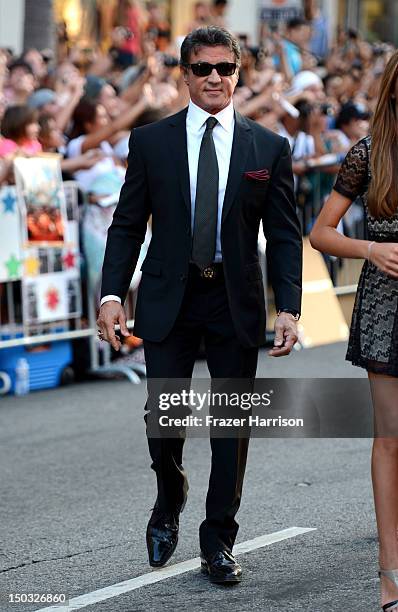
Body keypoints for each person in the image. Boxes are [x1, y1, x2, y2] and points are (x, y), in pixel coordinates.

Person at [97, 26, 302, 584]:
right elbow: (127, 225)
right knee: (164, 421)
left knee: (231, 427)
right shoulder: (151, 142)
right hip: (169, 295)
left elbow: (285, 235)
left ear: (238, 74)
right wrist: (112, 295)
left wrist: (289, 306)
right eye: (203, 68)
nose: (215, 78)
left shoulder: (268, 147)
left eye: (225, 68)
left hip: (233, 299)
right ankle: (170, 497)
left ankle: (218, 540)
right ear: (184, 75)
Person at [310, 50, 398, 612]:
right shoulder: (369, 154)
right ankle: (391, 578)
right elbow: (320, 232)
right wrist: (371, 248)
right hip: (388, 305)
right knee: (390, 440)